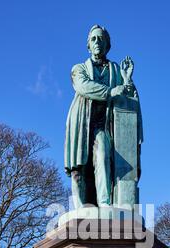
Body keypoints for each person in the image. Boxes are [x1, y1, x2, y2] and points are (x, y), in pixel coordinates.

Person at [64, 24, 143, 208]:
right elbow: (83, 86)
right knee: (79, 168)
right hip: (81, 123)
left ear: (107, 45)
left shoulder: (115, 70)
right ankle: (80, 206)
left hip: (104, 125)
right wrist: (111, 91)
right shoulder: (79, 68)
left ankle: (104, 203)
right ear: (88, 46)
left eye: (101, 38)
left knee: (102, 154)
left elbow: (127, 96)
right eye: (93, 39)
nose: (97, 42)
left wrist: (127, 79)